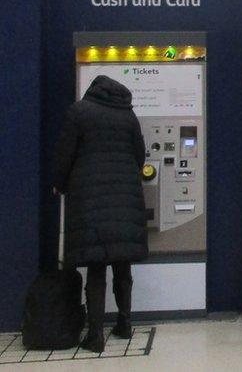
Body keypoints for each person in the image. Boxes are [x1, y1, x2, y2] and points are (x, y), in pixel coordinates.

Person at [52, 75, 148, 353]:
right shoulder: (128, 116)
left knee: (97, 267)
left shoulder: (79, 111)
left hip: (91, 199)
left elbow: (64, 153)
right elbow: (139, 156)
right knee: (122, 263)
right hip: (125, 199)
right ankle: (125, 323)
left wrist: (59, 183)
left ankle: (95, 335)